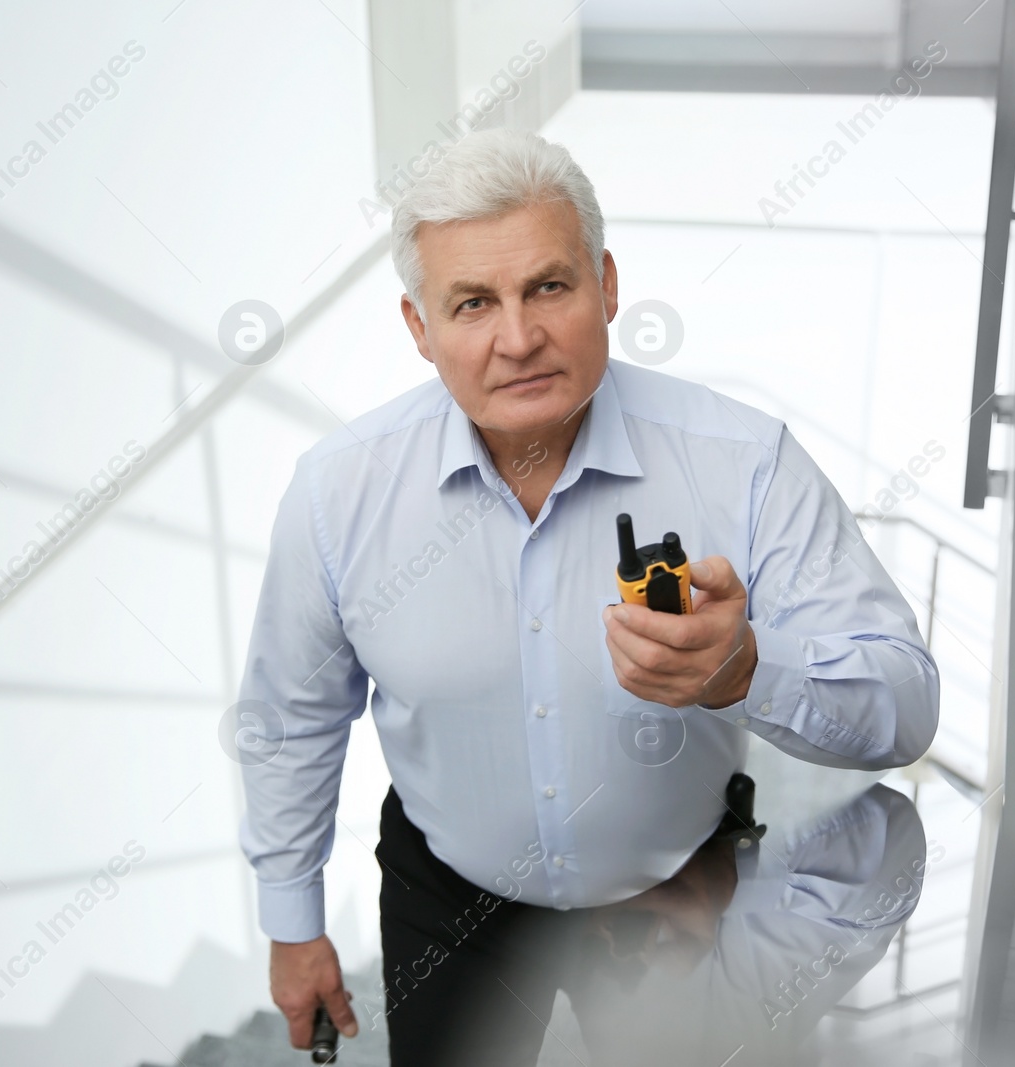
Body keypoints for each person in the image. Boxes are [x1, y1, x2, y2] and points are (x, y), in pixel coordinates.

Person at [234, 128, 940, 1065]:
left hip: (682, 907)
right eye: (473, 303)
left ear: (607, 286)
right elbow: (290, 719)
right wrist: (293, 921)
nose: (517, 338)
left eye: (549, 287)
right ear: (419, 328)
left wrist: (748, 671)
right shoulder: (335, 496)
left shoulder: (745, 463)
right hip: (446, 903)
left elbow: (907, 707)